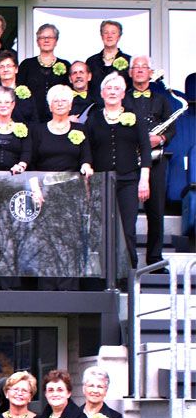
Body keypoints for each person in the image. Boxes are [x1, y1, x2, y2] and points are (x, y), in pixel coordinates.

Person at [85, 73, 151, 268]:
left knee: (127, 229)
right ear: (102, 93)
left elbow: (145, 148)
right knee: (103, 229)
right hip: (101, 182)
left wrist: (144, 179)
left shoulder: (135, 117)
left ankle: (129, 273)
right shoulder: (94, 118)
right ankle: (106, 273)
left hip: (128, 180)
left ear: (123, 94)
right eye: (109, 88)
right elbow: (87, 148)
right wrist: (87, 167)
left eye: (117, 89)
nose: (112, 92)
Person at [126, 55, 175, 267]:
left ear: (150, 73)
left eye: (143, 67)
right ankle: (128, 262)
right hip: (129, 159)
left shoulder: (162, 100)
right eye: (135, 67)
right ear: (130, 73)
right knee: (127, 214)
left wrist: (161, 138)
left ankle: (155, 259)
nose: (139, 70)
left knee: (156, 212)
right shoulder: (123, 98)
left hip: (155, 160)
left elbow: (171, 128)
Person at [30, 85, 93, 175]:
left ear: (70, 105)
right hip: (44, 181)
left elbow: (86, 156)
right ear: (50, 107)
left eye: (64, 101)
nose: (60, 104)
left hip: (73, 181)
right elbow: (31, 160)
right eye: (55, 101)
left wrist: (86, 166)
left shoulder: (80, 129)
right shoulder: (38, 130)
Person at [17, 24, 70, 121]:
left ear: (56, 41)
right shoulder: (27, 65)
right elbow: (18, 92)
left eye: (50, 37)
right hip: (30, 119)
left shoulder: (65, 65)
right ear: (37, 42)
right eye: (42, 37)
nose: (46, 40)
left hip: (58, 119)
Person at [86, 21, 131, 96]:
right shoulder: (91, 61)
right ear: (101, 36)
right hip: (95, 102)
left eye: (113, 33)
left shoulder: (129, 60)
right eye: (106, 32)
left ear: (119, 36)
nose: (109, 36)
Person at [0, 51, 38, 123]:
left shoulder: (27, 94)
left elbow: (34, 120)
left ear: (16, 69)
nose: (5, 69)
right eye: (1, 67)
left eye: (9, 66)